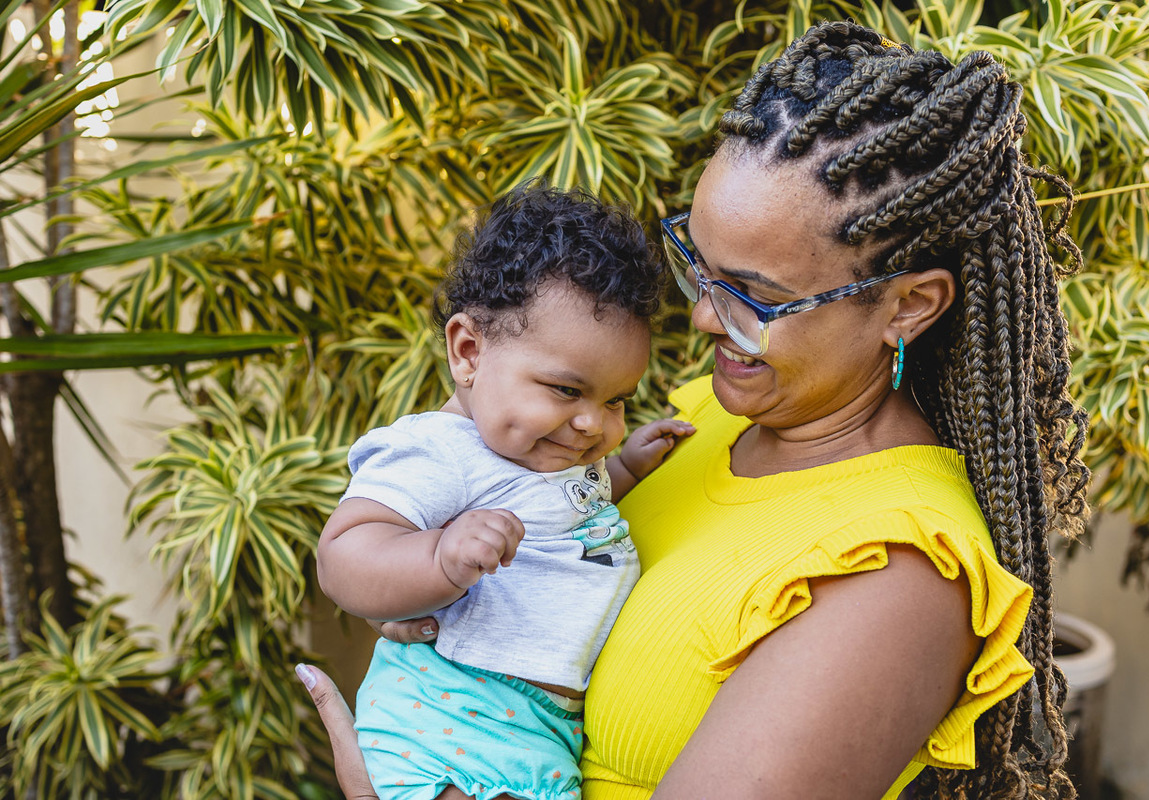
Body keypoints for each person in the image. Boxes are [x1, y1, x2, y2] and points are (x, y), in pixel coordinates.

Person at [298, 20, 1091, 800]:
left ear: (909, 305)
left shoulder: (894, 573)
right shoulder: (706, 420)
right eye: (698, 268)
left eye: (754, 296)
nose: (705, 318)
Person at [315, 181, 695, 800]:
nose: (594, 423)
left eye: (616, 400)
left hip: (540, 734)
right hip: (451, 720)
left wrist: (625, 468)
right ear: (468, 352)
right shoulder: (440, 451)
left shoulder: (548, 453)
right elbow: (343, 556)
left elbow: (568, 516)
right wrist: (438, 557)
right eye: (567, 391)